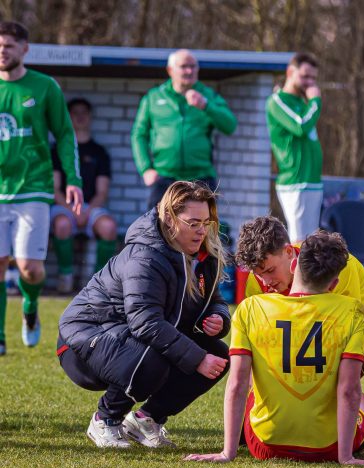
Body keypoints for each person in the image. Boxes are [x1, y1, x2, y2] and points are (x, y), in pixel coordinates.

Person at [185, 231, 364, 468]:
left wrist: (227, 453)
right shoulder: (352, 311)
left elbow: (238, 384)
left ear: (293, 265)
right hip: (329, 447)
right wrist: (345, 458)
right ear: (334, 284)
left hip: (264, 445)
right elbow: (348, 390)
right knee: (361, 399)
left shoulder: (251, 307)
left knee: (255, 389)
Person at [57, 181, 231, 449]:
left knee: (217, 354)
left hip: (129, 339)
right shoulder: (146, 256)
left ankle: (145, 420)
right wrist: (197, 358)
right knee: (156, 359)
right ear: (170, 219)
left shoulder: (202, 255)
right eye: (193, 223)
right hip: (79, 344)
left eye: (206, 222)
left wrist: (219, 319)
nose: (202, 230)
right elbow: (145, 323)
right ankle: (105, 419)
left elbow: (214, 300)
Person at [238, 216, 364, 461]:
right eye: (258, 274)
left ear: (289, 253)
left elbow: (348, 333)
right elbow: (258, 353)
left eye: (270, 270)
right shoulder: (257, 284)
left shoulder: (334, 264)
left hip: (348, 348)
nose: (265, 281)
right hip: (302, 358)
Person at [0, 21, 83, 355]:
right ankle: (0, 338)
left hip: (33, 188)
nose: (2, 51)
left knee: (30, 269)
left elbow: (64, 134)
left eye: (9, 45)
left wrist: (73, 179)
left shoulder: (45, 86)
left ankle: (30, 306)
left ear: (24, 49)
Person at [131, 49, 237, 210]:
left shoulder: (208, 95)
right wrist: (146, 168)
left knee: (203, 225)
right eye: (184, 66)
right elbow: (139, 135)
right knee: (156, 224)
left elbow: (230, 126)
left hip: (201, 177)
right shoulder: (154, 97)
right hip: (164, 177)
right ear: (170, 70)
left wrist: (206, 105)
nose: (189, 71)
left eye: (193, 66)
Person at [50, 97, 118, 293]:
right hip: (64, 206)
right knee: (62, 224)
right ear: (68, 117)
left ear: (90, 117)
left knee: (109, 227)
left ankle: (99, 282)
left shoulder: (99, 152)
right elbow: (55, 189)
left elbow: (102, 192)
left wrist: (86, 212)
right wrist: (73, 211)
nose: (80, 117)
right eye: (75, 113)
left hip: (91, 207)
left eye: (84, 113)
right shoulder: (57, 150)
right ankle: (65, 277)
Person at [266, 52, 323, 243]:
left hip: (312, 180)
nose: (310, 82)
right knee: (299, 240)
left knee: (311, 241)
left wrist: (310, 103)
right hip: (295, 180)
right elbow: (300, 126)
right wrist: (315, 101)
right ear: (290, 72)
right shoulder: (277, 101)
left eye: (313, 78)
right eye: (305, 76)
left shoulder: (301, 102)